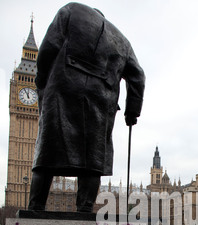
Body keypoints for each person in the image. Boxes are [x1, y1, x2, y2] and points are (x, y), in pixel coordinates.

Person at [28, 2, 145, 212]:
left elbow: (48, 48)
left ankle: (35, 207)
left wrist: (43, 83)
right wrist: (132, 112)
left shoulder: (71, 10)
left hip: (62, 89)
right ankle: (84, 209)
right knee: (93, 161)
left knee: (48, 151)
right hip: (101, 102)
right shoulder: (122, 41)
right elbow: (138, 76)